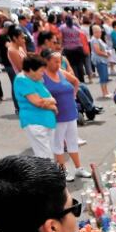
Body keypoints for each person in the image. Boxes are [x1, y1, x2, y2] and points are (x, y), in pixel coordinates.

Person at [41, 49, 90, 183]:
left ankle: (78, 168)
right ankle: (63, 170)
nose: (59, 64)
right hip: (57, 116)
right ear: (47, 61)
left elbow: (75, 81)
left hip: (70, 113)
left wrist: (73, 96)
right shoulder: (42, 76)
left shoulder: (61, 72)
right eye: (55, 61)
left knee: (72, 142)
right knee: (58, 144)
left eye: (60, 61)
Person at [13, 53, 56, 158]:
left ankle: (54, 174)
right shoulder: (22, 80)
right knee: (45, 156)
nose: (43, 74)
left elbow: (46, 98)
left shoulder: (34, 79)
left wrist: (50, 101)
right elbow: (38, 102)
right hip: (35, 122)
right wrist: (52, 104)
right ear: (31, 69)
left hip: (46, 120)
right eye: (41, 71)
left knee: (50, 154)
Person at [5, 26, 28, 114]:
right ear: (14, 38)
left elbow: (26, 58)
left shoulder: (20, 47)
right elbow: (21, 68)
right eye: (22, 38)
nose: (24, 40)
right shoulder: (12, 50)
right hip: (23, 80)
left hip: (28, 78)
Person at [59, 15, 86, 82]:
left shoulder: (62, 27)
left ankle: (76, 79)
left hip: (68, 49)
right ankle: (82, 79)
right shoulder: (76, 28)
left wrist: (60, 46)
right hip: (78, 47)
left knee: (72, 65)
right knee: (80, 64)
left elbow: (60, 38)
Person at [89, 25, 111, 98]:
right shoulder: (94, 40)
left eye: (100, 32)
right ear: (95, 32)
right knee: (103, 76)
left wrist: (107, 52)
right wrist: (106, 54)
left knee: (105, 76)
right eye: (99, 32)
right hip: (99, 60)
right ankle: (104, 93)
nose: (100, 33)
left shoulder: (98, 39)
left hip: (103, 59)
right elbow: (97, 51)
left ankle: (106, 91)